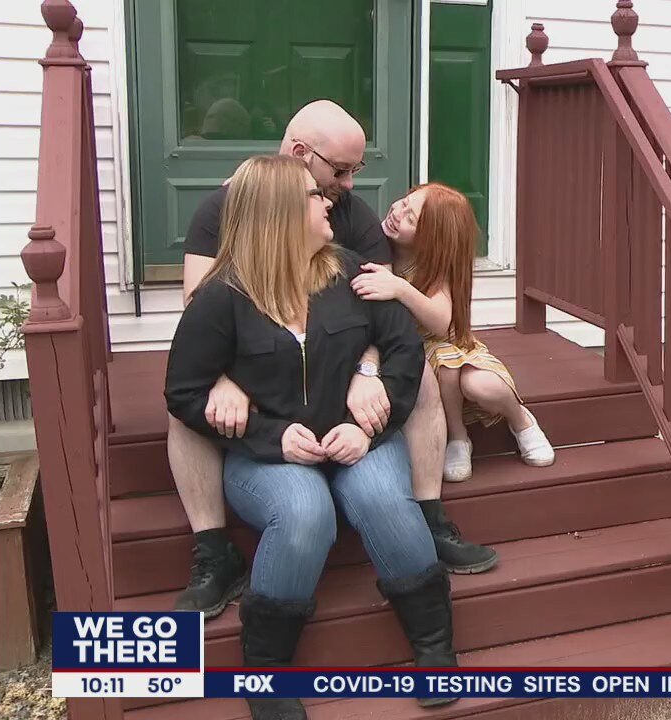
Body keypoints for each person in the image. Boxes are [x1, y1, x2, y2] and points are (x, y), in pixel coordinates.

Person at [171, 100, 496, 618]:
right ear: (301, 155)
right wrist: (224, 376)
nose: (347, 184)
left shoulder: (350, 214)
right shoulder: (224, 208)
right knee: (193, 405)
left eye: (355, 171)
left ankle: (428, 516)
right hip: (256, 359)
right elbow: (199, 305)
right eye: (340, 171)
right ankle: (213, 551)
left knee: (426, 379)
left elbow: (379, 303)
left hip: (336, 360)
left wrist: (367, 367)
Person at [165, 155, 459, 719]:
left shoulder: (352, 272)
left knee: (383, 501)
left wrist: (368, 416)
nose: (330, 201)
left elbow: (403, 351)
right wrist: (270, 436)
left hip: (359, 441)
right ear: (278, 211)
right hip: (268, 458)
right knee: (305, 514)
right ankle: (267, 673)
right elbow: (183, 392)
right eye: (313, 195)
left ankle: (434, 646)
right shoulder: (222, 296)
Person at [351, 182, 555, 484]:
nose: (396, 212)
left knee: (480, 385)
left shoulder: (430, 266)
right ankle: (458, 438)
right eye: (404, 203)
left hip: (452, 348)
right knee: (445, 372)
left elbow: (441, 324)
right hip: (415, 354)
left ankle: (520, 418)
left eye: (410, 219)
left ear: (431, 240)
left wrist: (400, 288)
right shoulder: (376, 246)